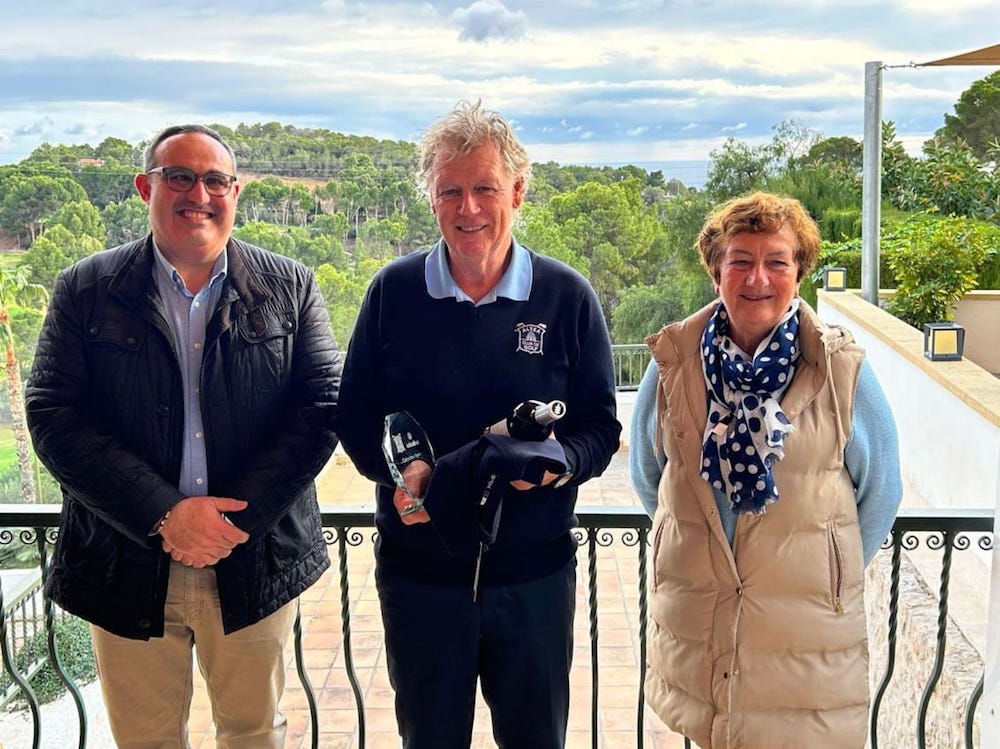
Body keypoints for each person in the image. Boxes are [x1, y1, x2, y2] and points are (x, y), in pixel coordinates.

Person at [25, 124, 341, 748]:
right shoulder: (85, 289)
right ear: (146, 187)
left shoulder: (290, 286)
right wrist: (165, 514)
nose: (199, 194)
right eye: (180, 177)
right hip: (125, 560)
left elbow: (322, 406)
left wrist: (231, 521)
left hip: (251, 560)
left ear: (235, 192)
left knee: (254, 735)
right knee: (146, 741)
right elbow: (54, 415)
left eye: (215, 180)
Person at [334, 100, 621, 748]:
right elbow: (353, 416)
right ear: (431, 199)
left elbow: (601, 430)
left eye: (485, 189)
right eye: (450, 191)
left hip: (535, 579)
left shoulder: (567, 297)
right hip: (420, 579)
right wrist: (402, 475)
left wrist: (554, 466)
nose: (468, 209)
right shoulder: (392, 293)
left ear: (517, 192)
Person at [629, 192, 902, 749]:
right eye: (741, 260)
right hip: (702, 623)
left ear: (799, 274)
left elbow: (882, 490)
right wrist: (704, 549)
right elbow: (648, 475)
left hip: (803, 637)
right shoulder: (673, 365)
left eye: (777, 261)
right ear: (716, 273)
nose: (758, 278)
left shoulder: (840, 371)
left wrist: (822, 568)